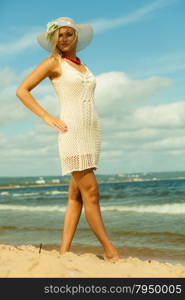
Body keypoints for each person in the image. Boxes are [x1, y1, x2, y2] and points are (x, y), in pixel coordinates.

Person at [16, 17, 120, 262]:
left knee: (76, 196)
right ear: (54, 39)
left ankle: (64, 252)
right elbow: (22, 90)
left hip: (91, 133)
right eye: (59, 35)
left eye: (68, 34)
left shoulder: (82, 65)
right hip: (71, 133)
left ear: (76, 37)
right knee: (92, 193)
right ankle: (111, 252)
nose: (63, 39)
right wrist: (46, 116)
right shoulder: (54, 62)